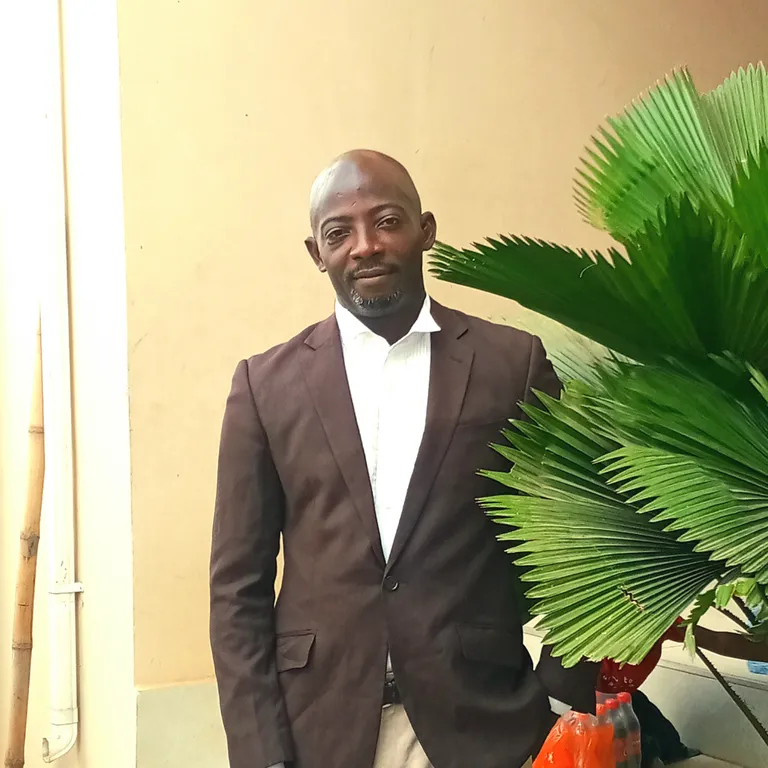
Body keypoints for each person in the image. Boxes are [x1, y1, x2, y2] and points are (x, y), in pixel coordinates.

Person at [209, 150, 598, 768]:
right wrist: (259, 750)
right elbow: (237, 586)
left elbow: (578, 538)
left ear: (426, 231)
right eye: (339, 233)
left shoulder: (511, 365)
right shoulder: (264, 386)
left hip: (485, 726)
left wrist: (562, 699)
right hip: (320, 730)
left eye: (387, 221)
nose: (365, 246)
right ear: (317, 253)